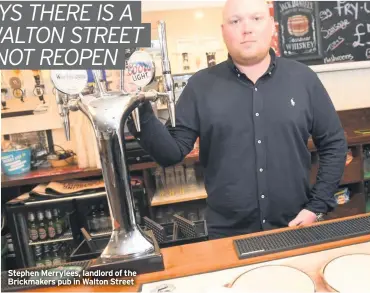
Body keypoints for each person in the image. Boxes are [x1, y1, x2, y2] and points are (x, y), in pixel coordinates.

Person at [128, 0, 348, 239]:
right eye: (235, 21)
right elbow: (170, 153)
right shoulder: (200, 86)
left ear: (272, 27)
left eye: (256, 18)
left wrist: (316, 206)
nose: (247, 28)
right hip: (227, 235)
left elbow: (334, 144)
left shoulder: (304, 79)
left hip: (294, 225)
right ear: (223, 31)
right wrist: (138, 108)